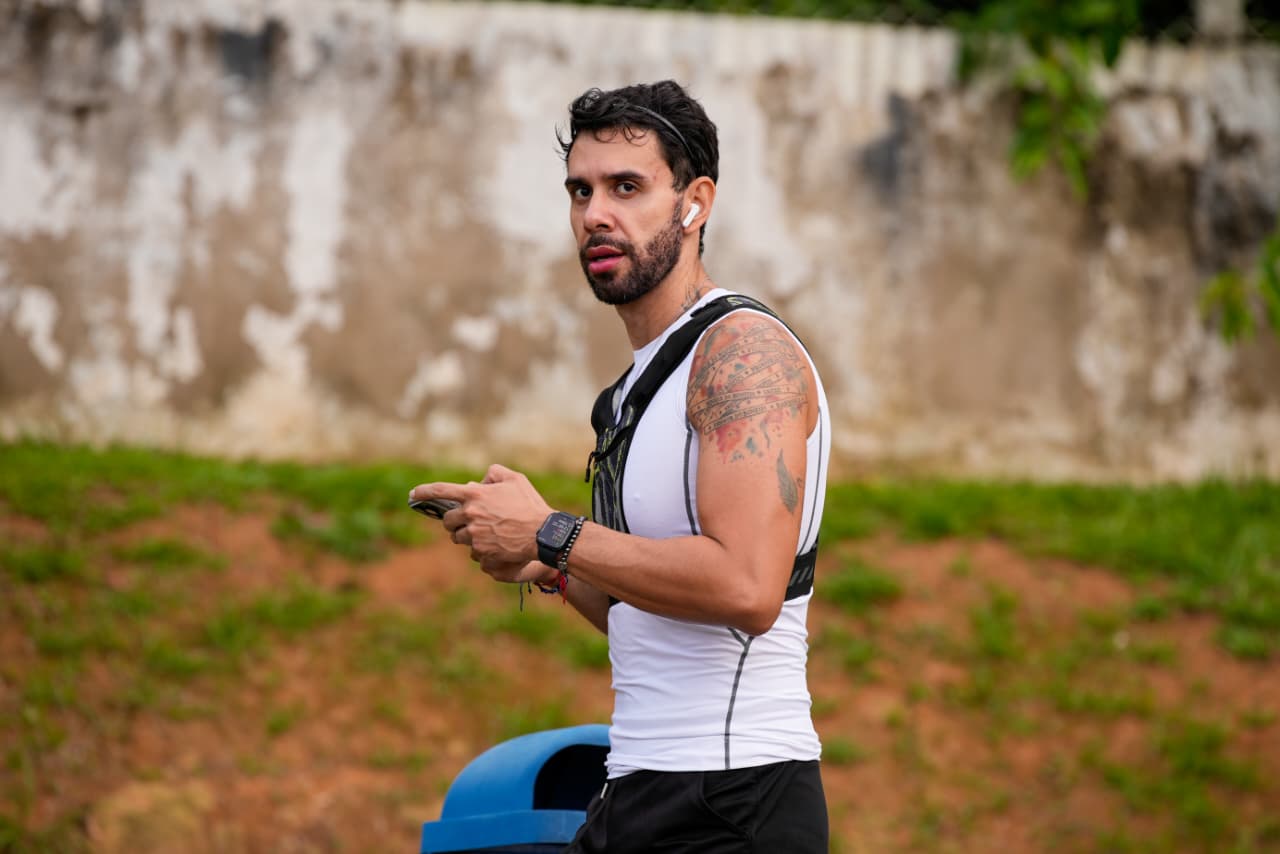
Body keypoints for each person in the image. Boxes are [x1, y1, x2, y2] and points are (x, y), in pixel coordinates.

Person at [410, 80, 831, 853]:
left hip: (736, 800)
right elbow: (649, 616)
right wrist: (550, 564)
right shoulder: (637, 386)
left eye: (626, 188)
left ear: (694, 203)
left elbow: (747, 589)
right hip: (637, 787)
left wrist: (554, 532)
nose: (595, 214)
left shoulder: (741, 354)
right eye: (581, 191)